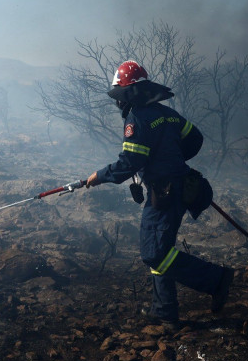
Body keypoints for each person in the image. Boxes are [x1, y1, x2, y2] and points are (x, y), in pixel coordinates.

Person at [85, 60, 233, 326]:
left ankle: (216, 279)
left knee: (154, 254)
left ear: (127, 95)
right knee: (160, 249)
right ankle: (164, 309)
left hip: (164, 193)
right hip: (176, 188)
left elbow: (129, 163)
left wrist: (98, 177)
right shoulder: (168, 114)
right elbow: (195, 138)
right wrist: (173, 158)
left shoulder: (137, 120)